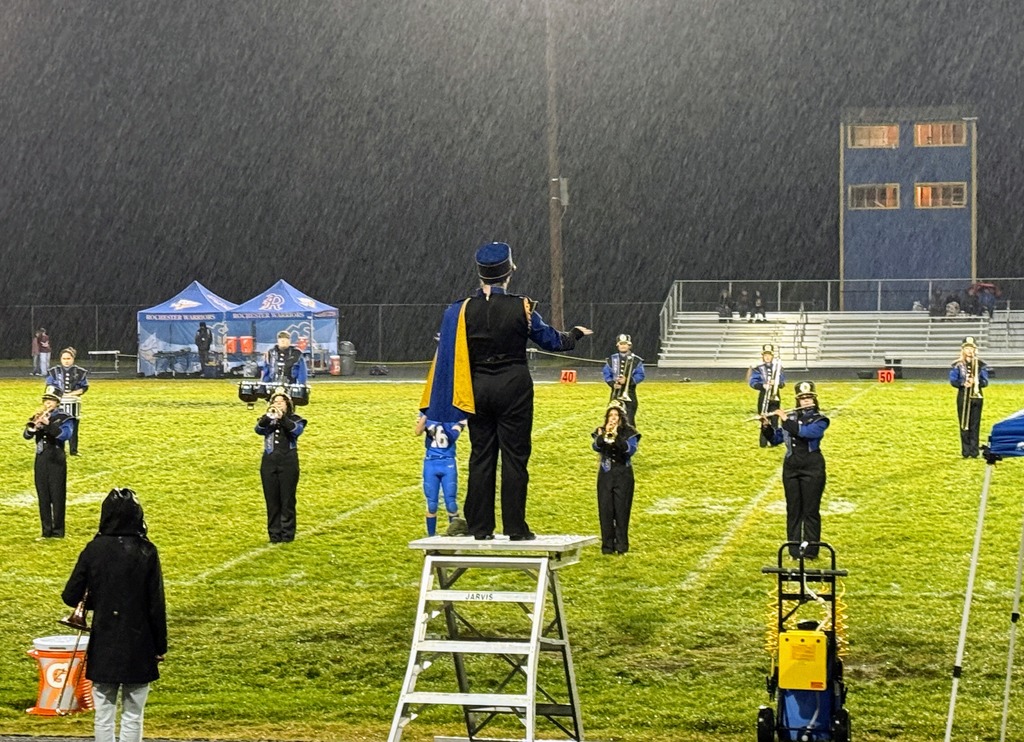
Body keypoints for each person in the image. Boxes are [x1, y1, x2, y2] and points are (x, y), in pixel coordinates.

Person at [421, 241, 592, 541]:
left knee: (481, 456)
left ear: (480, 275)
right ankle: (515, 527)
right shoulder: (522, 306)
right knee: (515, 457)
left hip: (476, 387)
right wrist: (575, 334)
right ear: (508, 273)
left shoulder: (461, 310)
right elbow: (554, 342)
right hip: (514, 385)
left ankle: (480, 527)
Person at [62, 488, 167, 742]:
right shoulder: (146, 551)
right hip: (139, 642)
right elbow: (156, 605)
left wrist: (97, 597)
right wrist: (160, 645)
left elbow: (70, 595)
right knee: (133, 713)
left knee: (104, 713)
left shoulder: (94, 549)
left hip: (105, 641)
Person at [761, 380, 830, 559]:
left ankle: (811, 550)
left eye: (809, 398)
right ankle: (793, 549)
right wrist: (767, 426)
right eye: (802, 398)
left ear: (815, 400)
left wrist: (784, 419)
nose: (806, 401)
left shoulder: (820, 420)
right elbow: (776, 440)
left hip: (812, 467)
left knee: (810, 510)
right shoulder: (791, 418)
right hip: (791, 468)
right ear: (797, 401)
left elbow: (805, 433)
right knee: (793, 509)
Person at [255, 387, 307, 542]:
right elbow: (258, 429)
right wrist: (268, 417)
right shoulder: (267, 419)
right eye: (275, 402)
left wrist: (282, 417)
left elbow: (296, 431)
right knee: (271, 500)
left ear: (288, 405)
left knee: (287, 500)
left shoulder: (296, 419)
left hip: (288, 463)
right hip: (269, 463)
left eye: (281, 402)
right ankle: (274, 534)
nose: (278, 405)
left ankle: (287, 534)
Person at [24, 385, 74, 538]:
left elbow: (65, 435)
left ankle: (58, 531)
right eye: (46, 401)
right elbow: (26, 435)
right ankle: (46, 531)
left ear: (57, 403)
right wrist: (34, 427)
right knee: (43, 496)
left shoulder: (65, 418)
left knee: (57, 496)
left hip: (56, 459)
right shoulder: (37, 415)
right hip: (41, 459)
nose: (48, 404)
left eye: (51, 401)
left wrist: (48, 424)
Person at [592, 402, 640, 555]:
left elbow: (629, 450)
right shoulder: (600, 431)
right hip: (605, 475)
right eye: (610, 416)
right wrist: (603, 434)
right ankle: (607, 546)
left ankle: (621, 546)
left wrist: (617, 437)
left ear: (621, 418)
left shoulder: (630, 432)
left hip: (623, 475)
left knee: (621, 510)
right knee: (605, 510)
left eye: (616, 416)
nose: (613, 419)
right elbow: (596, 447)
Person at [416, 413, 467, 536]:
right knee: (432, 504)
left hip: (448, 461)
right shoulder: (427, 412)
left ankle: (454, 534)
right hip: (431, 461)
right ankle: (431, 538)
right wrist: (426, 415)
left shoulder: (455, 413)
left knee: (451, 503)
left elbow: (453, 435)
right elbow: (417, 431)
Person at [949, 336, 989, 458]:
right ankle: (965, 451)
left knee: (975, 424)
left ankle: (974, 451)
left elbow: (985, 381)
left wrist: (976, 382)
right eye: (967, 348)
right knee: (964, 423)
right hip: (963, 395)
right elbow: (953, 380)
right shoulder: (957, 365)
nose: (969, 351)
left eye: (972, 348)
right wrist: (963, 383)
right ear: (963, 350)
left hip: (977, 396)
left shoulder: (980, 364)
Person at [46, 347, 89, 456]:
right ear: (60, 359)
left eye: (68, 358)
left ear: (73, 359)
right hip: (58, 403)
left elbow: (84, 387)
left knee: (73, 427)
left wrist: (71, 394)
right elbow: (49, 386)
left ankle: (73, 450)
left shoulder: (80, 372)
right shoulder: (53, 372)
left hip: (73, 403)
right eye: (64, 358)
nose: (66, 360)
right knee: (58, 426)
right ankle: (59, 448)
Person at [747, 343, 786, 447]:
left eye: (769, 355)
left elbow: (782, 383)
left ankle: (774, 442)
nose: (767, 357)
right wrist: (762, 385)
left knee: (774, 419)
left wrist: (776, 383)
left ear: (772, 356)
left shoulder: (778, 367)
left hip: (775, 395)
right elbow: (752, 382)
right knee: (764, 419)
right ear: (763, 356)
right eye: (765, 355)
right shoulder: (758, 368)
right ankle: (763, 443)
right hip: (764, 395)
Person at [602, 334, 645, 424]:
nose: (623, 346)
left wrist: (628, 381)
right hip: (615, 394)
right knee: (613, 418)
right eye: (621, 344)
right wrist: (612, 384)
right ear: (618, 345)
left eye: (625, 344)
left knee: (629, 420)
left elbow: (640, 375)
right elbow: (607, 373)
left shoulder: (636, 360)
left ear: (629, 345)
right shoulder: (611, 359)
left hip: (630, 394)